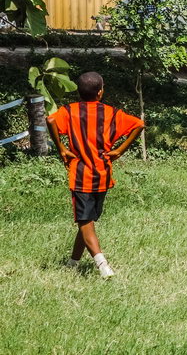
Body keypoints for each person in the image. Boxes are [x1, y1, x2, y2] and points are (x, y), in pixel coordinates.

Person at [45, 71, 145, 278]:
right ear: (100, 92)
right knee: (87, 220)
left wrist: (61, 148)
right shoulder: (111, 113)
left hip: (81, 175)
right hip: (103, 174)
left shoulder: (69, 111)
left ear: (79, 92)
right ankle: (75, 263)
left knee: (85, 221)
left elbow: (50, 120)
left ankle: (102, 265)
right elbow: (139, 124)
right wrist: (120, 150)